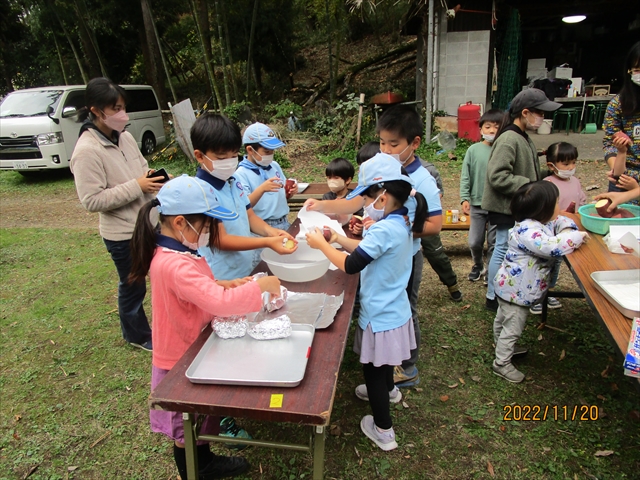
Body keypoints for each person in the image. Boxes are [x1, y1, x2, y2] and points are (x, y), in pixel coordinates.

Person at [129, 175, 281, 479]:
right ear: (182, 223)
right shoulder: (174, 263)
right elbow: (219, 303)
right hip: (178, 359)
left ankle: (206, 462)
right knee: (185, 429)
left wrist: (223, 283)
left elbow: (196, 288)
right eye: (209, 225)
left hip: (191, 346)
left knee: (199, 420)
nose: (212, 232)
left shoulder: (177, 252)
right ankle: (193, 472)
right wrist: (259, 287)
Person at [305, 155, 427, 451]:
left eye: (367, 197)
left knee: (373, 368)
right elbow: (367, 250)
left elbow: (351, 265)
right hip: (395, 310)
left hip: (379, 315)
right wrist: (337, 236)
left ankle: (383, 430)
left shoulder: (384, 228)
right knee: (385, 364)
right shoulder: (400, 222)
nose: (364, 203)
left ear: (383, 198)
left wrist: (322, 245)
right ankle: (390, 391)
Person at [70, 77, 162, 352]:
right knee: (133, 284)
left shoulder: (126, 137)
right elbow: (92, 200)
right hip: (122, 233)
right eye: (116, 109)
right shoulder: (86, 151)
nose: (123, 114)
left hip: (149, 222)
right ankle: (136, 334)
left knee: (161, 274)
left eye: (123, 107)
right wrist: (137, 186)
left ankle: (161, 324)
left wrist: (153, 181)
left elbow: (143, 168)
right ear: (96, 111)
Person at [492, 181, 588, 383]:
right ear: (542, 210)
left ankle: (500, 345)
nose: (559, 206)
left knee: (503, 320)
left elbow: (560, 221)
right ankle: (501, 363)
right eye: (555, 203)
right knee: (512, 327)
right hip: (516, 293)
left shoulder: (540, 223)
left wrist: (567, 227)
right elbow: (552, 247)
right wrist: (576, 237)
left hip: (509, 287)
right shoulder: (529, 232)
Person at [481, 88, 562, 312]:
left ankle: (498, 294)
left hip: (517, 206)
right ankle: (493, 297)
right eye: (540, 113)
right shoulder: (509, 138)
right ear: (525, 112)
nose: (543, 119)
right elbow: (498, 176)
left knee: (506, 248)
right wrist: (531, 186)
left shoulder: (522, 137)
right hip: (507, 207)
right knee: (502, 248)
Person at [192, 113, 296, 279]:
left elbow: (249, 215)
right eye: (221, 157)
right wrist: (267, 241)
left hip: (244, 269)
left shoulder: (232, 182)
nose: (230, 161)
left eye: (234, 156)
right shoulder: (201, 192)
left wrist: (272, 232)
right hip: (222, 276)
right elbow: (221, 240)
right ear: (199, 156)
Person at [535, 142, 587, 315]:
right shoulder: (547, 184)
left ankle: (549, 291)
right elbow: (543, 209)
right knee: (545, 264)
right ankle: (538, 296)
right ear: (551, 165)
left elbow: (582, 201)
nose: (571, 167)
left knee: (557, 265)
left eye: (573, 162)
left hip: (568, 232)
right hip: (550, 234)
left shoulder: (576, 182)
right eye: (566, 164)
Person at [235, 122, 298, 267]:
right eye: (267, 151)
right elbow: (244, 206)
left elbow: (280, 194)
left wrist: (290, 192)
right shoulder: (241, 174)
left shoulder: (274, 166)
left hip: (283, 223)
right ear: (250, 150)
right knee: (264, 266)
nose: (271, 155)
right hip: (261, 230)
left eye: (272, 151)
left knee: (286, 263)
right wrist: (261, 189)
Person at [459, 109, 502, 282]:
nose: (492, 131)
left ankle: (491, 272)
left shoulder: (503, 149)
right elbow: (465, 175)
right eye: (488, 127)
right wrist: (464, 198)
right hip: (477, 204)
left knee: (494, 243)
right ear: (481, 129)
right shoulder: (473, 150)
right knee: (475, 242)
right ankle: (478, 264)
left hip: (496, 205)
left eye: (497, 128)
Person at [603, 41, 640, 201]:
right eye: (638, 69)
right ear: (629, 71)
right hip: (625, 179)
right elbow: (609, 143)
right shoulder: (618, 104)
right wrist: (616, 169)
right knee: (619, 221)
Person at [322, 157, 363, 226]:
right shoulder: (327, 197)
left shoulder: (355, 197)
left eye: (336, 178)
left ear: (347, 180)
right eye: (329, 177)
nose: (332, 181)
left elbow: (360, 218)